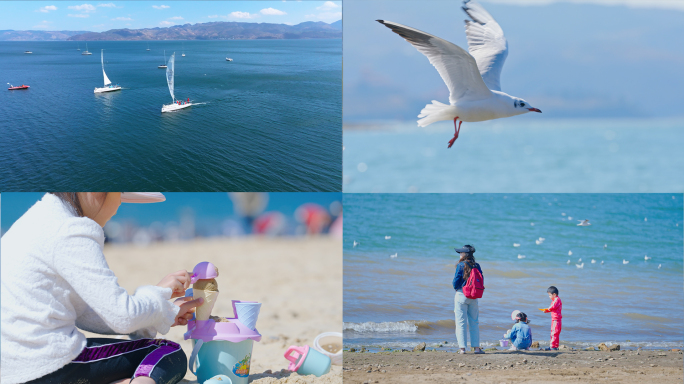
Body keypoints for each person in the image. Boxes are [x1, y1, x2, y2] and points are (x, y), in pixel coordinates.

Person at [1, 193, 203, 384]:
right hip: (49, 364)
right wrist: (158, 294)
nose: (119, 205)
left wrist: (163, 312)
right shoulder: (72, 229)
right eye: (120, 195)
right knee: (167, 352)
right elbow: (124, 317)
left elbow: (88, 312)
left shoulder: (33, 222)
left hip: (12, 370)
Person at [452, 244, 484, 354]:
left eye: (461, 252)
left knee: (461, 323)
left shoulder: (461, 265)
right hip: (474, 296)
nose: (460, 254)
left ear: (464, 254)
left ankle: (462, 349)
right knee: (474, 322)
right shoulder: (477, 265)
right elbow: (481, 279)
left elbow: (455, 282)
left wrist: (457, 289)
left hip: (462, 294)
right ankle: (476, 348)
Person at [541, 286, 562, 350]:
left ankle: (553, 346)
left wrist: (547, 309)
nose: (549, 297)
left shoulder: (556, 300)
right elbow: (553, 308)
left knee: (554, 332)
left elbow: (552, 307)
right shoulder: (556, 300)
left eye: (549, 295)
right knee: (555, 332)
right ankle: (555, 346)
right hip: (555, 319)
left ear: (554, 294)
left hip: (556, 319)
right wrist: (547, 310)